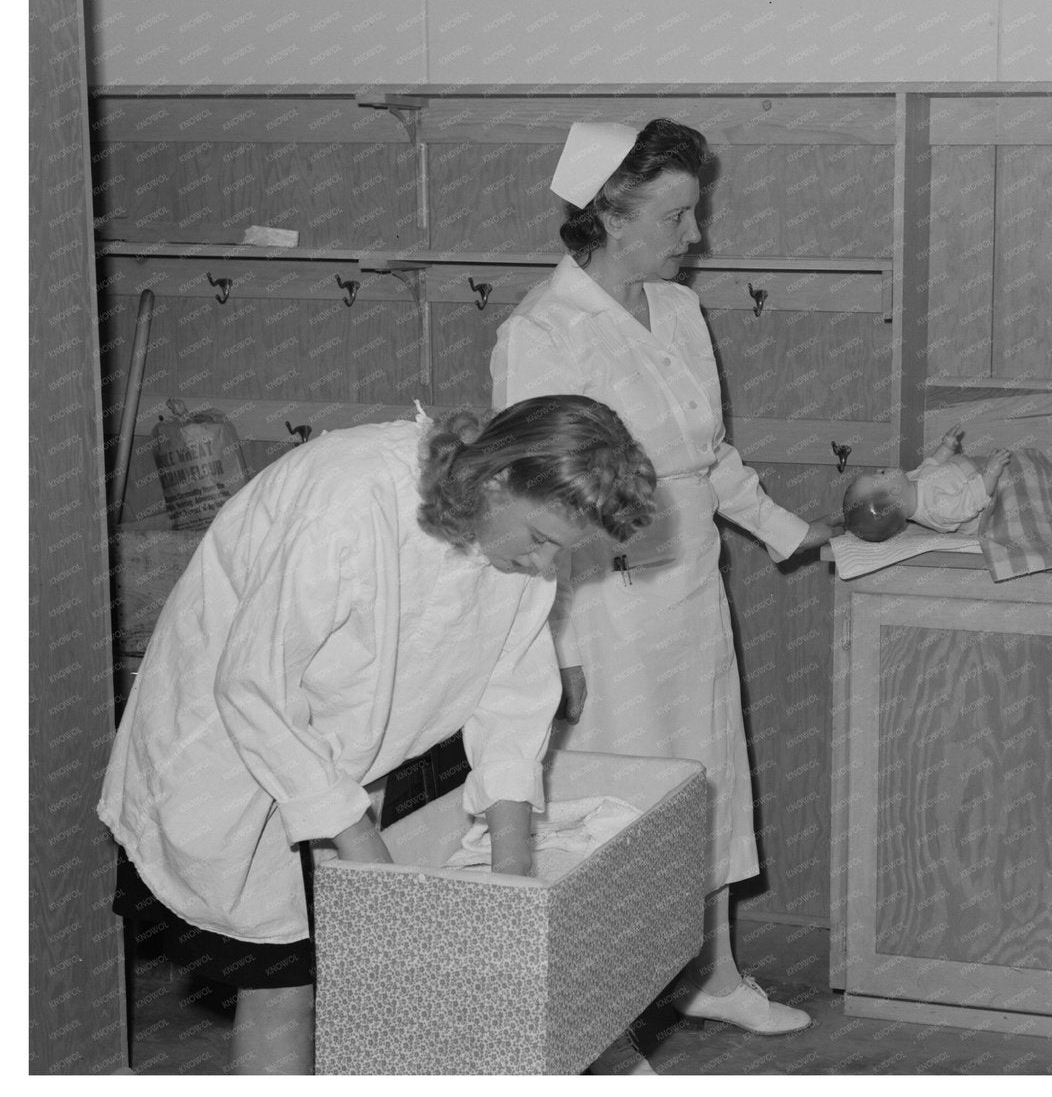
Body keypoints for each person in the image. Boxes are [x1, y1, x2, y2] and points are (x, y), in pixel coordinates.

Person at [98, 395, 657, 1074]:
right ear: (498, 477)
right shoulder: (351, 500)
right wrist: (360, 841)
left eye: (561, 551)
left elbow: (512, 692)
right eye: (541, 540)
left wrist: (514, 878)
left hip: (337, 747)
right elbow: (252, 685)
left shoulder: (516, 524)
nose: (546, 567)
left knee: (347, 968)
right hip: (231, 742)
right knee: (282, 980)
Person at [491, 118, 836, 1050]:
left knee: (706, 776)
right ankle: (608, 1007)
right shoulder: (542, 332)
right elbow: (532, 504)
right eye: (678, 215)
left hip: (691, 589)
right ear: (610, 211)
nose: (696, 237)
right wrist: (555, 651)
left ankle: (712, 974)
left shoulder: (678, 311)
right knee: (617, 806)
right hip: (600, 609)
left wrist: (796, 535)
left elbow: (707, 459)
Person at [841, 425, 1008, 541]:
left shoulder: (912, 481)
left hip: (972, 473)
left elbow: (932, 464)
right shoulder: (935, 508)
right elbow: (972, 501)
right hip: (992, 506)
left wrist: (946, 447)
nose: (879, 470)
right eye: (881, 475)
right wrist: (992, 472)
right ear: (895, 489)